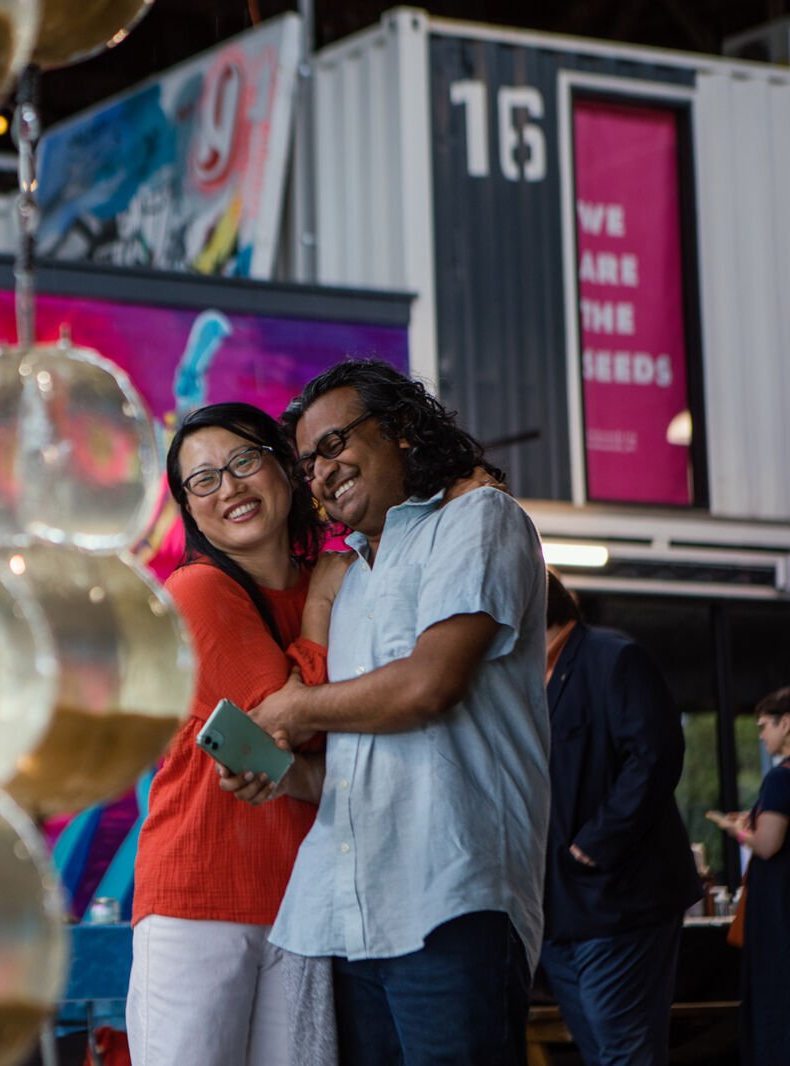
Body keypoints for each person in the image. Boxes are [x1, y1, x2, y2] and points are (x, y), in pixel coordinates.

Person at [252, 359, 549, 1066]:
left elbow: (428, 685)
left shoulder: (478, 519)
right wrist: (277, 769)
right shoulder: (352, 581)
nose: (321, 473)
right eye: (308, 464)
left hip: (451, 896)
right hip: (346, 914)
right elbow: (347, 771)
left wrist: (298, 706)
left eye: (334, 445)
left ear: (404, 429)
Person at [126, 402, 347, 1066]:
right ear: (190, 511)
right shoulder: (197, 592)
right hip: (200, 900)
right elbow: (288, 719)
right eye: (203, 480)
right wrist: (320, 608)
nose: (229, 488)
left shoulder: (339, 581)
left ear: (285, 467)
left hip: (303, 904)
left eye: (244, 460)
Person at [536, 569, 701, 1066]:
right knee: (601, 1052)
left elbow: (655, 756)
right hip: (557, 910)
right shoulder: (525, 679)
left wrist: (593, 845)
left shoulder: (613, 657)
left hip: (620, 898)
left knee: (624, 1053)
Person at [709, 688, 790, 1066]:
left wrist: (737, 831)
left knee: (775, 998)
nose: (760, 735)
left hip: (777, 910)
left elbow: (768, 845)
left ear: (785, 722)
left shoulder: (779, 779)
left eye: (763, 726)